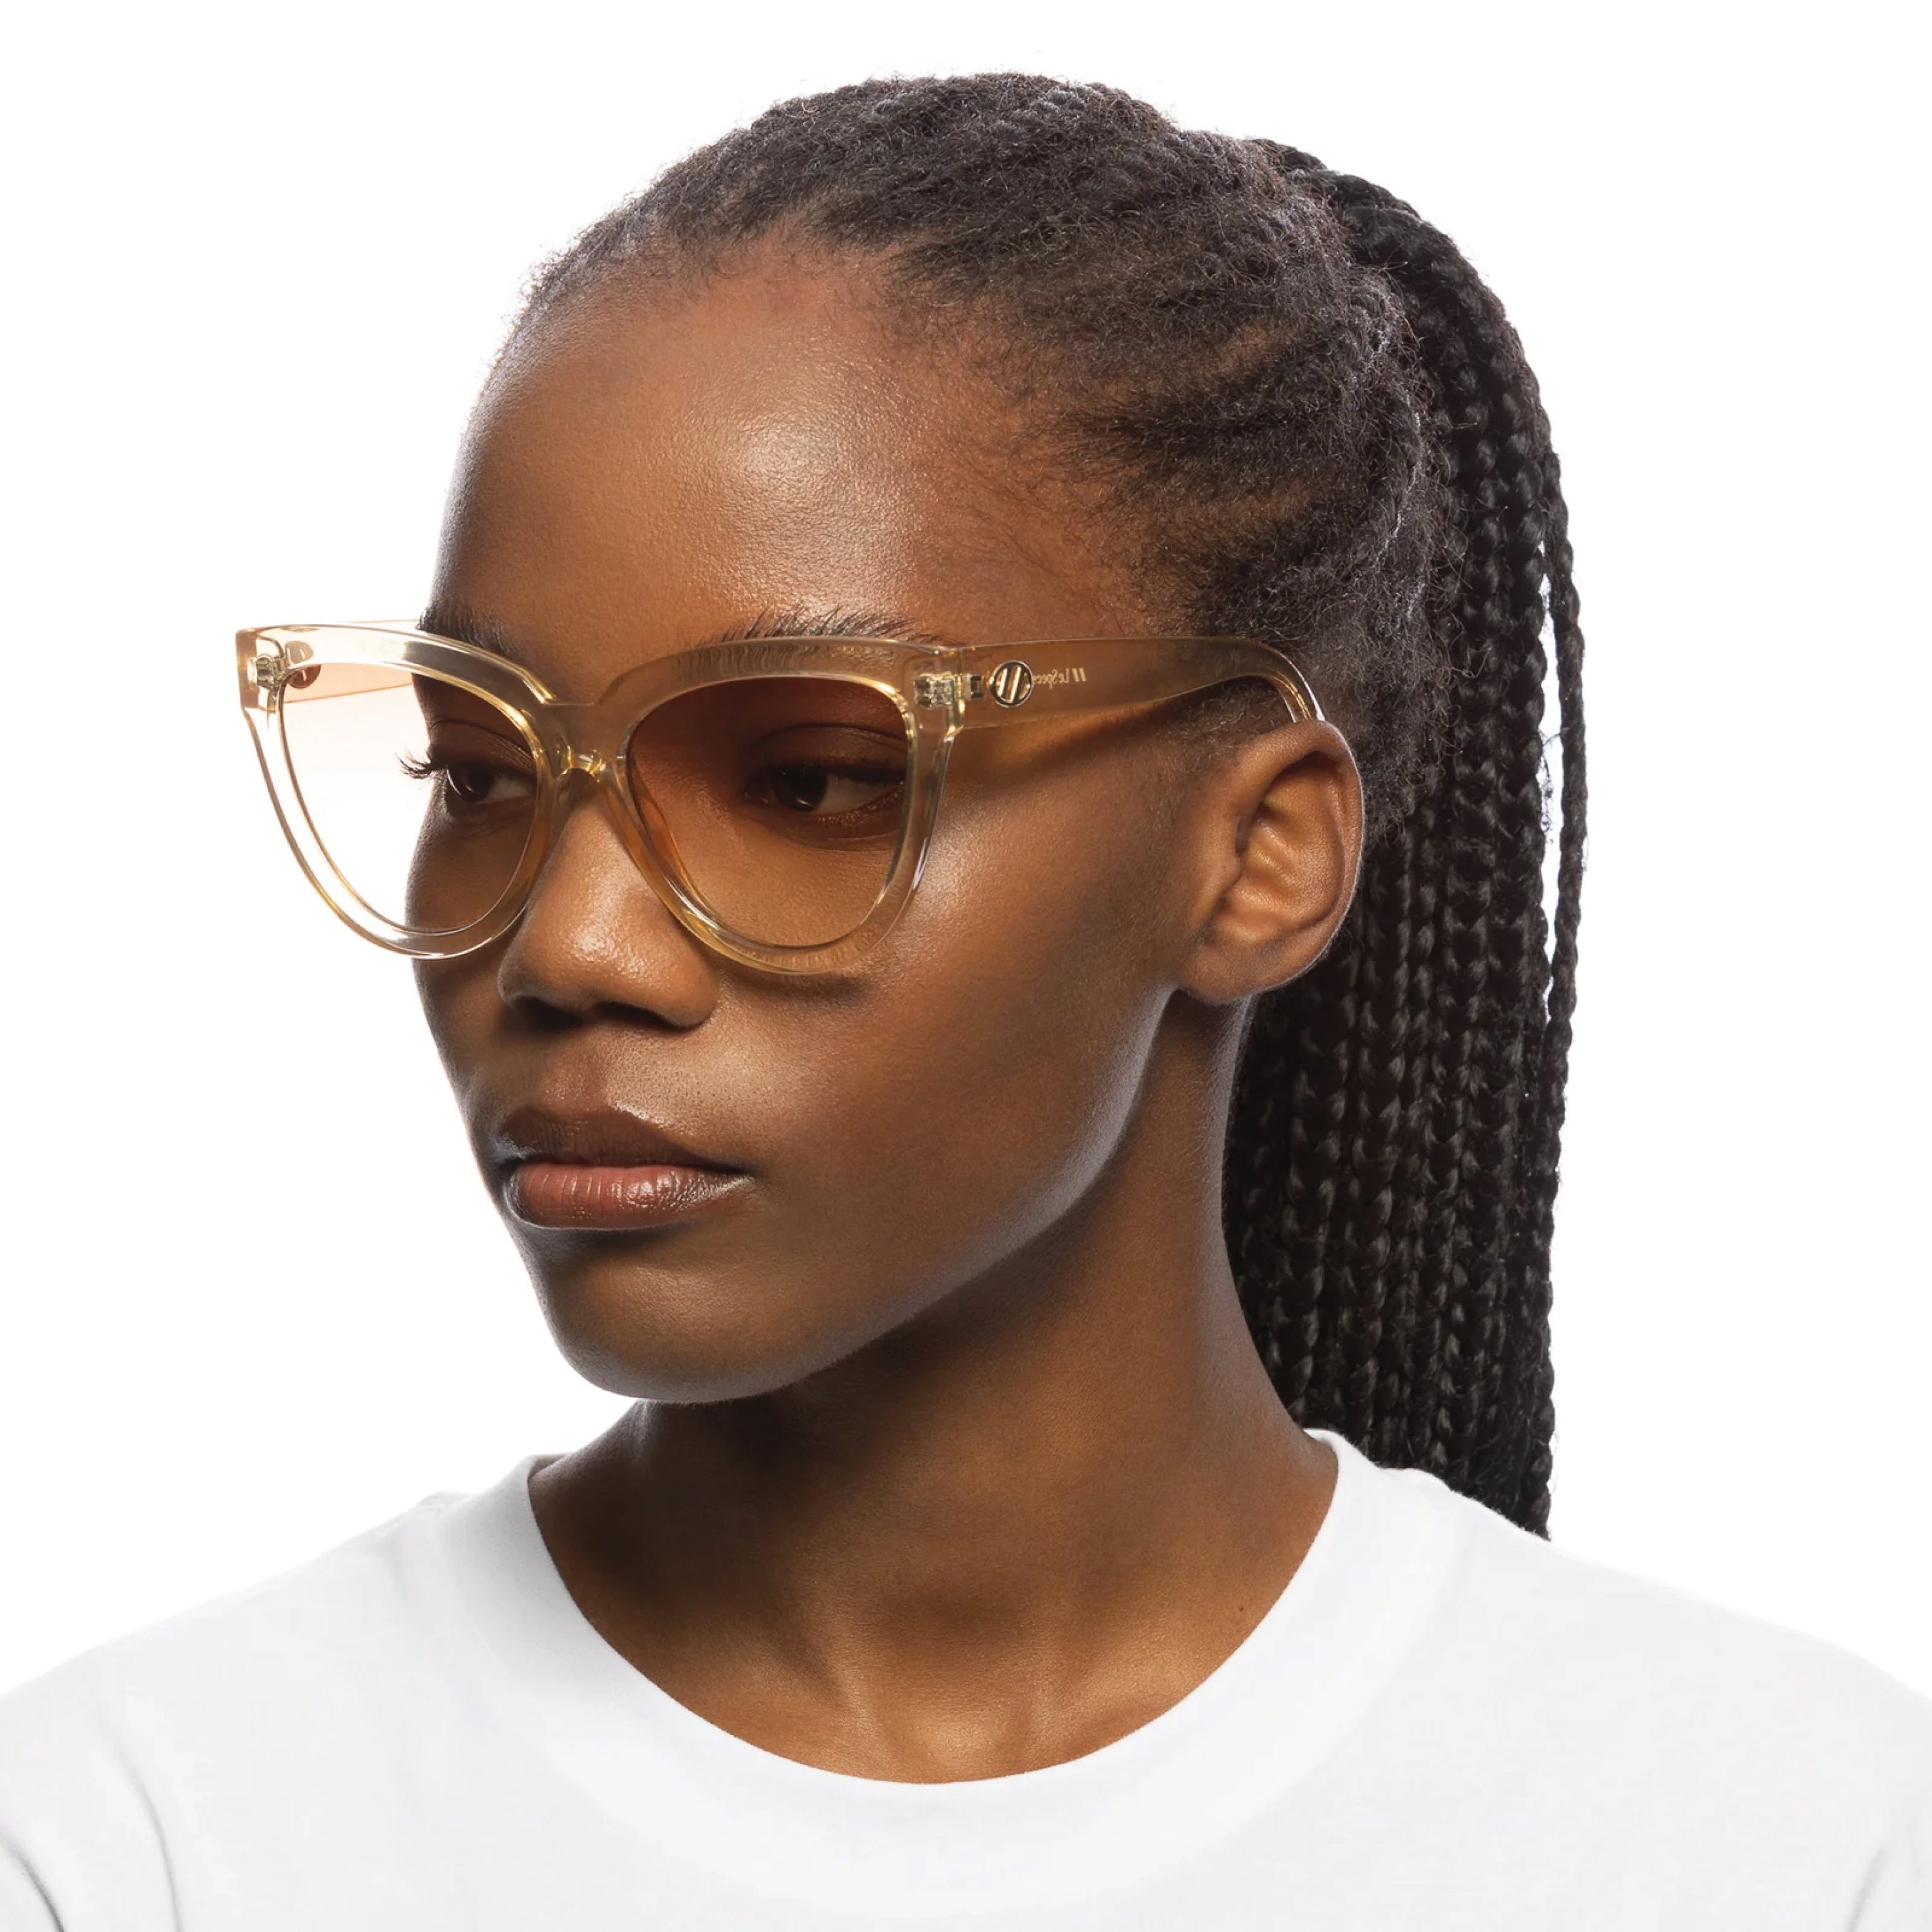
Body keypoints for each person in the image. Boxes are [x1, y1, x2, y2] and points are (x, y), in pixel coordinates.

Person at [1, 71, 1926, 1931]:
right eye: (479, 774)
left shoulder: (1791, 1845)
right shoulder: (137, 1845)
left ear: (1254, 855)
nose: (567, 946)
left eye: (811, 780)